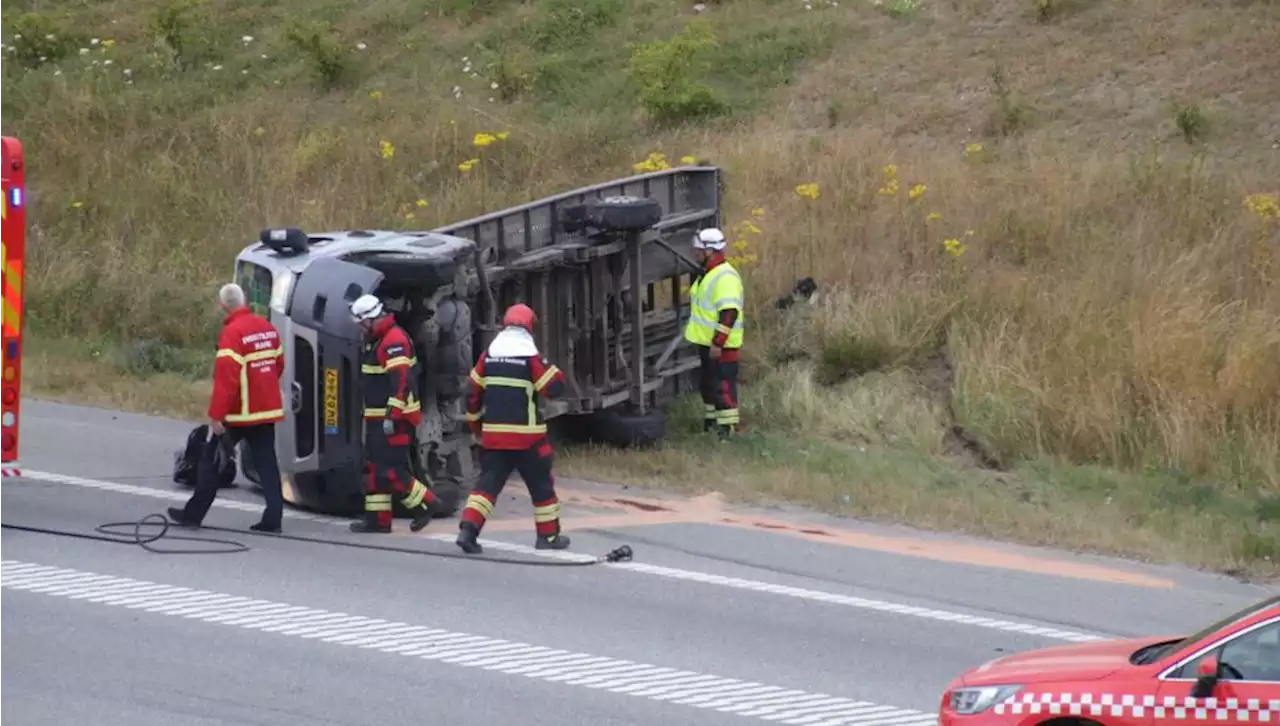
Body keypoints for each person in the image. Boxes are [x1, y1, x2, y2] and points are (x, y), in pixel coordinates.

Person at [168, 283, 286, 532]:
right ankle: (273, 518)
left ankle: (193, 514)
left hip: (239, 413)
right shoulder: (268, 328)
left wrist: (217, 416)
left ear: (223, 306)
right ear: (245, 301)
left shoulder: (232, 334)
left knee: (211, 460)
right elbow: (279, 364)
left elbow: (227, 381)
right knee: (267, 463)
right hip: (266, 410)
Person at [457, 303, 569, 554]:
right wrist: (551, 366)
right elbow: (554, 389)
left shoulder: (488, 356)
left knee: (486, 486)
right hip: (528, 439)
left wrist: (476, 428)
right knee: (541, 486)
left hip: (494, 438)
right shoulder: (530, 358)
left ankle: (468, 531)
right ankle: (548, 537)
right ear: (530, 326)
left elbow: (472, 395)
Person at [348, 293, 448, 533]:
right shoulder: (378, 338)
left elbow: (401, 381)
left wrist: (392, 415)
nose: (360, 328)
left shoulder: (393, 340)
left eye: (362, 323)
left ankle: (428, 503)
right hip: (377, 416)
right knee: (373, 468)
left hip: (393, 419)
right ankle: (378, 521)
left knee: (390, 471)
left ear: (370, 319)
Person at [684, 227, 745, 438]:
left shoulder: (725, 277)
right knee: (709, 386)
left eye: (699, 250)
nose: (696, 253)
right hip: (708, 344)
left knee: (723, 387)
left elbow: (729, 313)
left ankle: (727, 431)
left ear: (710, 251)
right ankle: (711, 425)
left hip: (721, 347)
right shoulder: (709, 274)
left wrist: (718, 343)